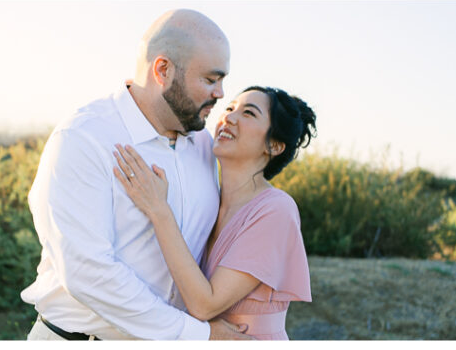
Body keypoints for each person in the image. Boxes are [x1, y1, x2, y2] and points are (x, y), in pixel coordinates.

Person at [22, 9, 249, 340]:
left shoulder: (204, 146)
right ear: (163, 70)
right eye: (210, 80)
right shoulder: (85, 138)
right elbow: (88, 272)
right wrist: (197, 336)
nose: (220, 93)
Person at [114, 84, 316, 340]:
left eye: (249, 113)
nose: (228, 117)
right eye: (230, 108)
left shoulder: (276, 210)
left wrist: (158, 210)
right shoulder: (209, 200)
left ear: (274, 145)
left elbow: (204, 304)